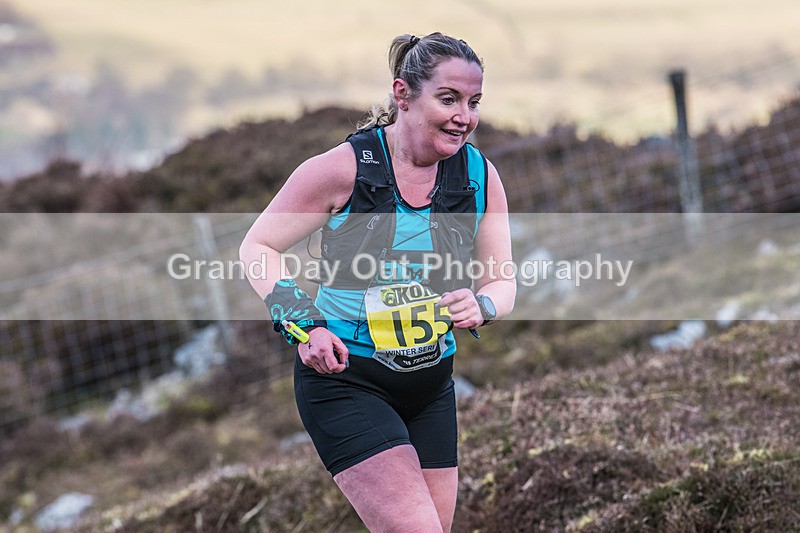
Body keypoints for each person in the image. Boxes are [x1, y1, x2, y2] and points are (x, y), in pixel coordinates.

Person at [240, 32, 515, 532]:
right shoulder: (343, 168)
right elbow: (257, 248)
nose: (464, 116)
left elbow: (502, 280)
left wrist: (484, 305)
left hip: (431, 387)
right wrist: (305, 326)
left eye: (473, 102)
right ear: (403, 94)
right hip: (346, 381)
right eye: (448, 99)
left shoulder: (479, 175)